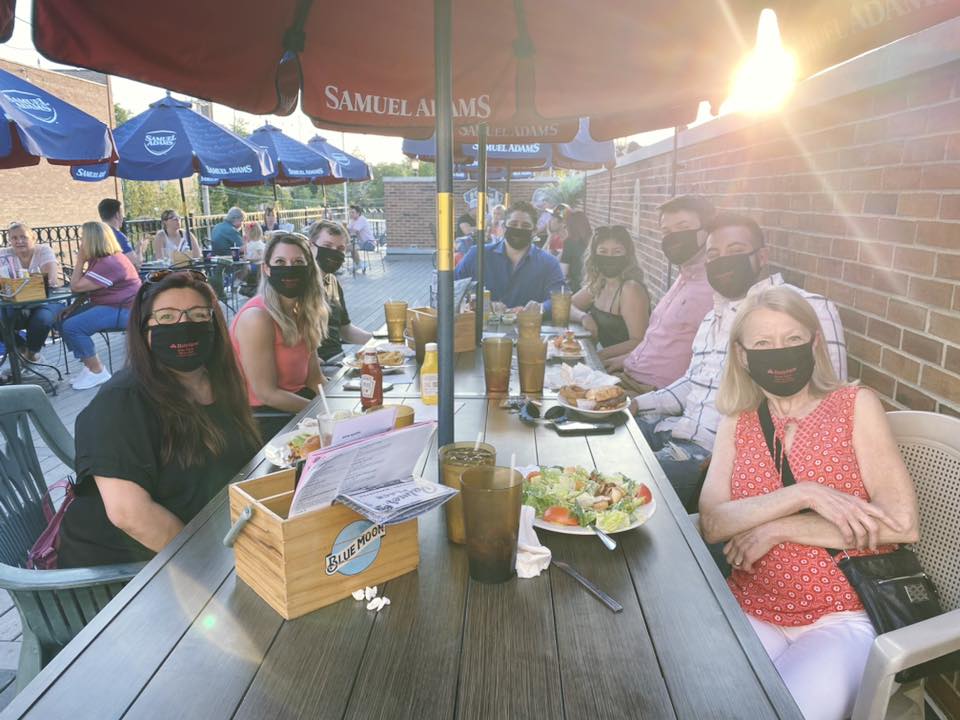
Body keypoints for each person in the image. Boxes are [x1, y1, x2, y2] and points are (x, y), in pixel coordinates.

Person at [699, 286, 918, 720]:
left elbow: (901, 523)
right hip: (751, 606)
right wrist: (804, 493)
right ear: (742, 355)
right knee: (699, 700)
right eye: (763, 343)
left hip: (841, 614)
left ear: (815, 343)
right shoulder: (737, 420)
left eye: (792, 339)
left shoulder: (854, 405)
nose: (778, 353)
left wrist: (782, 527)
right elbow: (713, 522)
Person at [632, 213, 846, 513]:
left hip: (713, 456)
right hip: (677, 431)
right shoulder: (712, 317)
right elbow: (694, 383)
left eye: (735, 251)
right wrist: (634, 405)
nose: (723, 262)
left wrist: (743, 460)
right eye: (713, 255)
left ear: (762, 257)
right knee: (601, 440)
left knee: (620, 483)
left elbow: (829, 399)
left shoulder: (808, 308)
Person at [58, 269, 261, 567]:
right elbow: (131, 516)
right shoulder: (121, 402)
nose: (184, 326)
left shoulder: (220, 382)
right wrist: (217, 563)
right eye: (166, 317)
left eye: (198, 315)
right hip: (131, 570)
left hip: (214, 539)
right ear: (144, 330)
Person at [603, 195, 716, 392]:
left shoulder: (715, 289)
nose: (674, 237)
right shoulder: (683, 277)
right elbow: (660, 342)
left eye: (683, 227)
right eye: (667, 231)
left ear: (707, 230)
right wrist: (623, 360)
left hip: (654, 392)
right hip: (628, 375)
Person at [231, 232, 328, 439]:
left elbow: (315, 378)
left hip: (300, 406)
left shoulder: (302, 311)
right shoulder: (257, 318)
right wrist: (325, 414)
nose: (289, 268)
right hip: (269, 418)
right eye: (280, 262)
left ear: (309, 269)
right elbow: (266, 394)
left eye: (298, 262)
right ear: (266, 269)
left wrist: (341, 404)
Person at [58, 221, 142, 390]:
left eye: (83, 238)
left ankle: (97, 371)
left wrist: (80, 260)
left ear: (93, 240)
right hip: (111, 304)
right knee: (61, 320)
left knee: (72, 327)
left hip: (125, 310)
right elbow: (88, 289)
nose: (81, 243)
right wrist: (72, 308)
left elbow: (76, 287)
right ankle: (89, 366)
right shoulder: (101, 260)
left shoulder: (109, 263)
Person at [455, 200, 565, 313]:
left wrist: (540, 308)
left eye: (525, 226)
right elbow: (452, 288)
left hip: (528, 323)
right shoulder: (477, 255)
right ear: (503, 227)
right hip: (483, 323)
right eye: (513, 224)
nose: (518, 229)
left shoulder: (548, 263)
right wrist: (482, 304)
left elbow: (560, 297)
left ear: (534, 231)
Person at [570, 225, 649, 350]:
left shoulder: (630, 289)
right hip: (602, 357)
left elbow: (639, 342)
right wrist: (584, 317)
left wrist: (596, 357)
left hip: (623, 361)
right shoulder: (599, 284)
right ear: (594, 255)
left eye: (617, 251)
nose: (610, 257)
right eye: (603, 251)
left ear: (627, 255)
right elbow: (567, 306)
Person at [309, 220, 373, 362]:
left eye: (340, 248)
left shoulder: (332, 281)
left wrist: (378, 340)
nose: (333, 252)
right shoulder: (297, 284)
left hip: (338, 360)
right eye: (327, 246)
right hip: (317, 365)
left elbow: (345, 330)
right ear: (310, 246)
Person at [0, 221, 62, 362]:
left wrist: (16, 283)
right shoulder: (4, 254)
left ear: (33, 238)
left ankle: (31, 354)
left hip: (47, 300)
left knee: (42, 319)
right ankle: (22, 350)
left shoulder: (43, 250)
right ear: (10, 240)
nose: (19, 241)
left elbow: (50, 280)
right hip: (15, 303)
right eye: (14, 238)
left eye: (23, 237)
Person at [98, 198, 143, 269]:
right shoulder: (118, 237)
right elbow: (136, 264)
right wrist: (140, 249)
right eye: (121, 214)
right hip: (118, 275)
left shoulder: (96, 235)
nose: (123, 217)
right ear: (117, 215)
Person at [559, 210, 591, 292]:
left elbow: (563, 272)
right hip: (593, 287)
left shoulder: (569, 242)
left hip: (576, 288)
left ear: (571, 227)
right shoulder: (594, 240)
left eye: (566, 226)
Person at [347, 204, 375, 273]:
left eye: (352, 212)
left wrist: (347, 230)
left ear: (358, 213)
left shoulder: (361, 219)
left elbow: (354, 231)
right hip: (361, 242)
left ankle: (359, 264)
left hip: (369, 243)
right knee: (348, 246)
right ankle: (359, 263)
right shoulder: (353, 220)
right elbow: (348, 230)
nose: (350, 214)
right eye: (350, 212)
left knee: (351, 247)